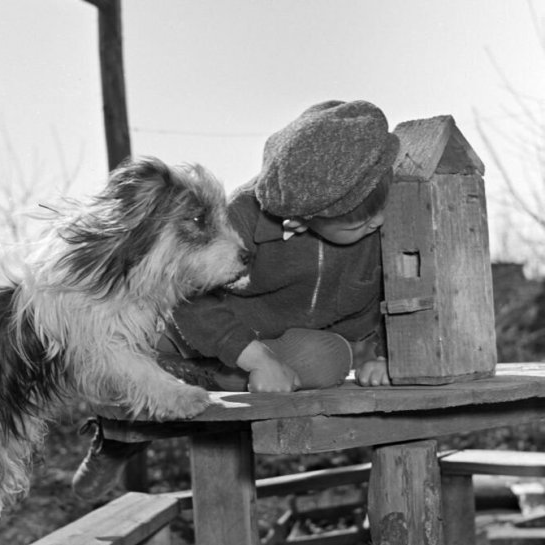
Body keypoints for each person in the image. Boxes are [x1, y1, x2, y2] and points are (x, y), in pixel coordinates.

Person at [72, 99, 399, 499]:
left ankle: (197, 381)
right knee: (132, 348)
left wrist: (387, 356)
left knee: (330, 359)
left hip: (281, 347)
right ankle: (123, 430)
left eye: (378, 212)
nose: (377, 223)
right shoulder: (239, 219)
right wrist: (255, 359)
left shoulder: (376, 225)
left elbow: (393, 292)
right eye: (360, 222)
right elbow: (193, 298)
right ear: (301, 218)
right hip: (194, 334)